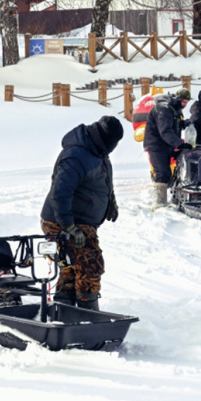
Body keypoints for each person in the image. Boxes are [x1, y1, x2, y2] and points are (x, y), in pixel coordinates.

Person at [40, 115, 123, 311]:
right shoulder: (76, 155)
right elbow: (60, 193)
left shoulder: (97, 149)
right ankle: (88, 313)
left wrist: (111, 201)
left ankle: (65, 312)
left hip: (78, 218)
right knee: (90, 266)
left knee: (71, 268)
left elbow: (102, 179)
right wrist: (70, 227)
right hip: (64, 219)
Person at [143, 88, 192, 207]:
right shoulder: (163, 109)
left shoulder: (174, 109)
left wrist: (183, 124)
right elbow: (165, 130)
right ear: (177, 99)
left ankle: (175, 199)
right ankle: (159, 203)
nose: (185, 105)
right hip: (156, 145)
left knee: (174, 172)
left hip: (166, 144)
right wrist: (180, 144)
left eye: (187, 102)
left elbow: (172, 124)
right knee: (162, 173)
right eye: (183, 102)